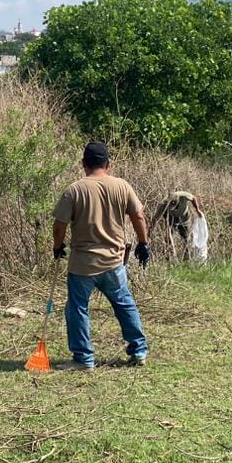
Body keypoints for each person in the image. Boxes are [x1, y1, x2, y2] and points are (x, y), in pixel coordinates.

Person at [52, 141, 150, 370]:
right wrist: (143, 243)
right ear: (108, 164)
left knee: (77, 308)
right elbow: (138, 217)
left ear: (83, 164)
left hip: (82, 264)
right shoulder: (122, 186)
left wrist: (58, 247)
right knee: (125, 305)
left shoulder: (74, 189)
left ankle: (84, 358)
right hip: (114, 262)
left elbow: (59, 225)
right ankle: (139, 351)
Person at [151, 190, 203, 259]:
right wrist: (150, 231)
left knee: (187, 238)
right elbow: (155, 218)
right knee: (168, 238)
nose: (173, 206)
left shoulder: (183, 196)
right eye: (171, 205)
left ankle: (187, 257)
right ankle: (171, 256)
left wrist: (197, 210)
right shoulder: (163, 204)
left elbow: (193, 198)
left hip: (184, 219)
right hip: (171, 220)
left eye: (174, 204)